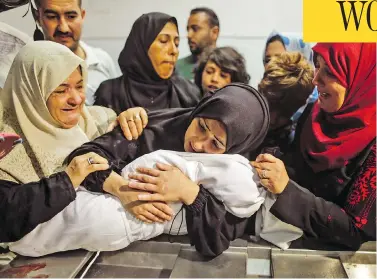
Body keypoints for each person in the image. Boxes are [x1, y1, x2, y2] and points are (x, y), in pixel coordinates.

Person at [62, 83, 270, 256]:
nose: (198, 145)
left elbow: (220, 237)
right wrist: (123, 189)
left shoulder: (236, 173)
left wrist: (190, 193)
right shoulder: (152, 127)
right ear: (199, 110)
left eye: (215, 144)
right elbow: (84, 156)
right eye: (201, 127)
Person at [252, 43, 376, 250]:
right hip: (288, 244)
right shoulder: (314, 115)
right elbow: (297, 168)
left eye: (329, 71)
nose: (315, 79)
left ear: (359, 76)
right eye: (317, 66)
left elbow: (356, 232)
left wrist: (287, 190)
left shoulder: (372, 146)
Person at [0, 131, 109, 242]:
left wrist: (121, 133)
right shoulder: (11, 144)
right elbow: (10, 212)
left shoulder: (98, 119)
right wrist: (65, 182)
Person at [93, 12, 201, 115]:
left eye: (176, 44)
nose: (174, 51)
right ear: (141, 46)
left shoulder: (188, 93)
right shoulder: (110, 93)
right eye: (163, 41)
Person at [32, 0, 119, 105]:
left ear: (82, 16)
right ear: (38, 17)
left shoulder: (102, 60)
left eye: (71, 16)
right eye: (52, 16)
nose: (63, 28)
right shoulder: (28, 67)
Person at [254, 52, 314, 158]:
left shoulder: (297, 141)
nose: (273, 119)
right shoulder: (241, 121)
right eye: (270, 105)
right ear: (261, 88)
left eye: (285, 112)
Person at [263, 31, 318, 128]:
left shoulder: (319, 105)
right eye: (267, 60)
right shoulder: (263, 95)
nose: (270, 65)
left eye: (280, 58)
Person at [176, 7, 219, 81]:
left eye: (195, 29)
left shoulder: (228, 67)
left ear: (214, 32)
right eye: (188, 29)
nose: (188, 35)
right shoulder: (175, 67)